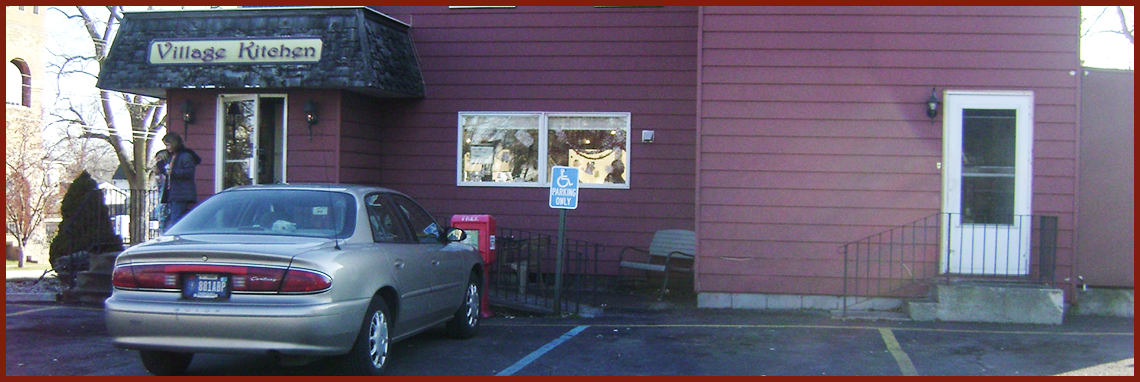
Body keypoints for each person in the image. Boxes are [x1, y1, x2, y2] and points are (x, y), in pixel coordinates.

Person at [158, 132, 201, 232]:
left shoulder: (185, 156)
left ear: (174, 143)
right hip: (173, 193)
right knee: (172, 219)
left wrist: (173, 172)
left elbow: (189, 173)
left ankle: (177, 239)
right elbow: (167, 172)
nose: (167, 147)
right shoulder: (173, 156)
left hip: (181, 193)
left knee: (176, 220)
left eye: (168, 145)